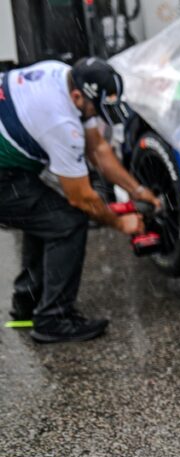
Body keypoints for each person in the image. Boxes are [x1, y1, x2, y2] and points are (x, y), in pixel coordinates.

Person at [0, 57, 159, 343]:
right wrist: (121, 223)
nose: (98, 115)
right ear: (77, 97)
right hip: (4, 175)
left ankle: (29, 303)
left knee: (44, 216)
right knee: (67, 221)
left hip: (11, 169)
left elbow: (97, 148)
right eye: (97, 109)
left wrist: (136, 190)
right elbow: (82, 198)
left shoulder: (63, 74)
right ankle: (53, 319)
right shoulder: (61, 123)